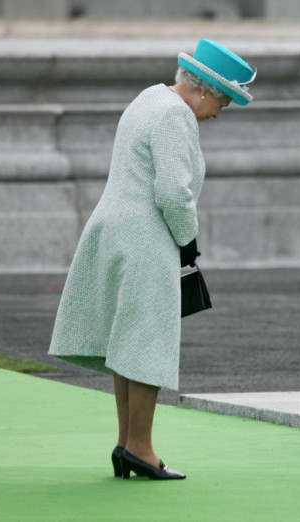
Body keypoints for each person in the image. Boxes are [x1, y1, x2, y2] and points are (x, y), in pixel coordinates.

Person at [48, 39, 256, 480]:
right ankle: (140, 447)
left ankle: (127, 443)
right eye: (222, 101)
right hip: (145, 236)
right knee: (146, 342)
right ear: (202, 91)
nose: (219, 112)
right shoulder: (177, 115)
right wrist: (189, 242)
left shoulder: (150, 97)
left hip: (113, 228)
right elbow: (172, 195)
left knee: (128, 341)